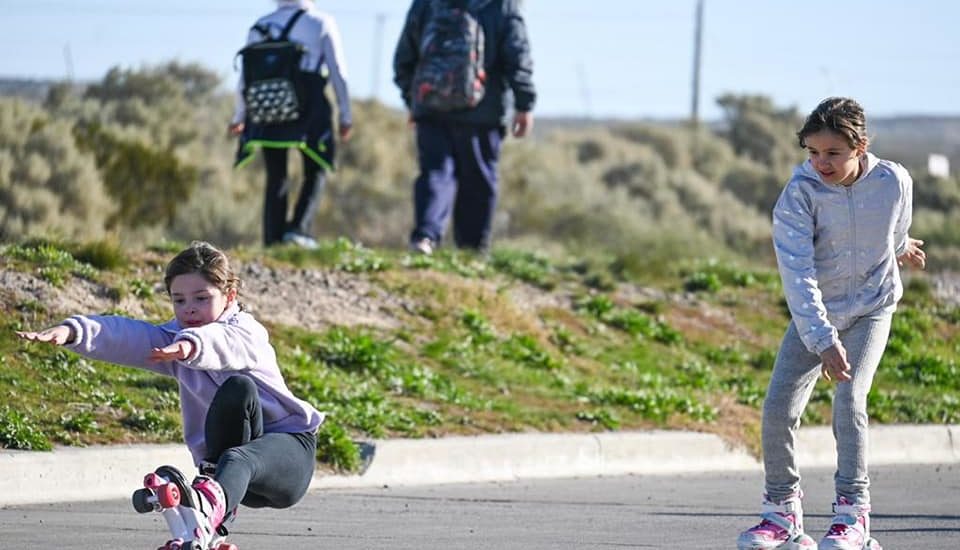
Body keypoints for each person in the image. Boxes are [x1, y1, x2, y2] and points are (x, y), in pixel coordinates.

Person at [16, 241, 323, 547]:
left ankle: (207, 507)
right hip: (235, 478)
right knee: (233, 452)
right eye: (179, 300)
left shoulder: (246, 331)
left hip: (290, 455)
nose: (189, 308)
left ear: (229, 295)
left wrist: (189, 346)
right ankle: (207, 526)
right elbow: (126, 335)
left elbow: (223, 343)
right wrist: (72, 331)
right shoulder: (172, 340)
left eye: (202, 298)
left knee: (239, 394)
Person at [737, 97, 926, 550]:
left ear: (859, 146)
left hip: (871, 307)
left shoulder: (894, 180)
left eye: (833, 153)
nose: (820, 162)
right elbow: (798, 274)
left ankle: (853, 518)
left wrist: (900, 249)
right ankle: (782, 515)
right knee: (778, 409)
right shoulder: (799, 194)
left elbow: (895, 228)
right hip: (816, 312)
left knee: (849, 398)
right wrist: (822, 339)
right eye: (812, 152)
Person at [393, 0, 536, 255]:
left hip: (432, 109)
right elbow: (517, 54)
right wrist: (524, 104)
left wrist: (413, 100)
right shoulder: (501, 6)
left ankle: (425, 236)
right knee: (479, 182)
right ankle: (472, 253)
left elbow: (405, 57)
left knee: (435, 173)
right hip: (483, 112)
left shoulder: (426, 4)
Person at [230, 0, 353, 249]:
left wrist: (239, 116)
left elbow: (246, 75)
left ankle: (272, 239)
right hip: (309, 108)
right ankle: (299, 229)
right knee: (316, 167)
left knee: (276, 174)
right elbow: (337, 71)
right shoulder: (320, 22)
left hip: (267, 109)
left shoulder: (260, 25)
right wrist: (345, 115)